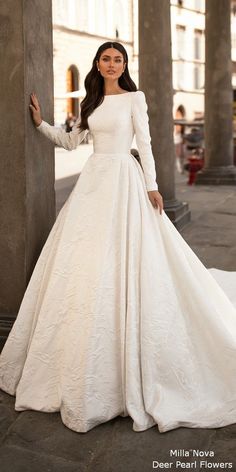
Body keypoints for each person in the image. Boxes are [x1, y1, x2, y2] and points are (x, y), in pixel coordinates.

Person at [0, 41, 236, 435]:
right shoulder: (89, 103)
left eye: (118, 60)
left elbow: (144, 143)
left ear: (124, 66)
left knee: (128, 255)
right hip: (93, 184)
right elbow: (73, 142)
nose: (112, 64)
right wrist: (41, 124)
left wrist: (153, 186)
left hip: (125, 181)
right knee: (87, 260)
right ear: (98, 63)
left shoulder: (135, 98)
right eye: (106, 59)